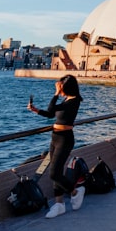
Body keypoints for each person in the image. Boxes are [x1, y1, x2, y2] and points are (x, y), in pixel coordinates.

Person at [27, 74, 85, 218]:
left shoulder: (75, 101)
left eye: (61, 87)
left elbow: (53, 107)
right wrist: (36, 110)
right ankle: (59, 204)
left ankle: (75, 192)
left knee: (54, 173)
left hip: (65, 139)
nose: (59, 89)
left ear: (67, 88)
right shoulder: (66, 100)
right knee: (56, 172)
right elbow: (51, 113)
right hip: (55, 137)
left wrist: (56, 94)